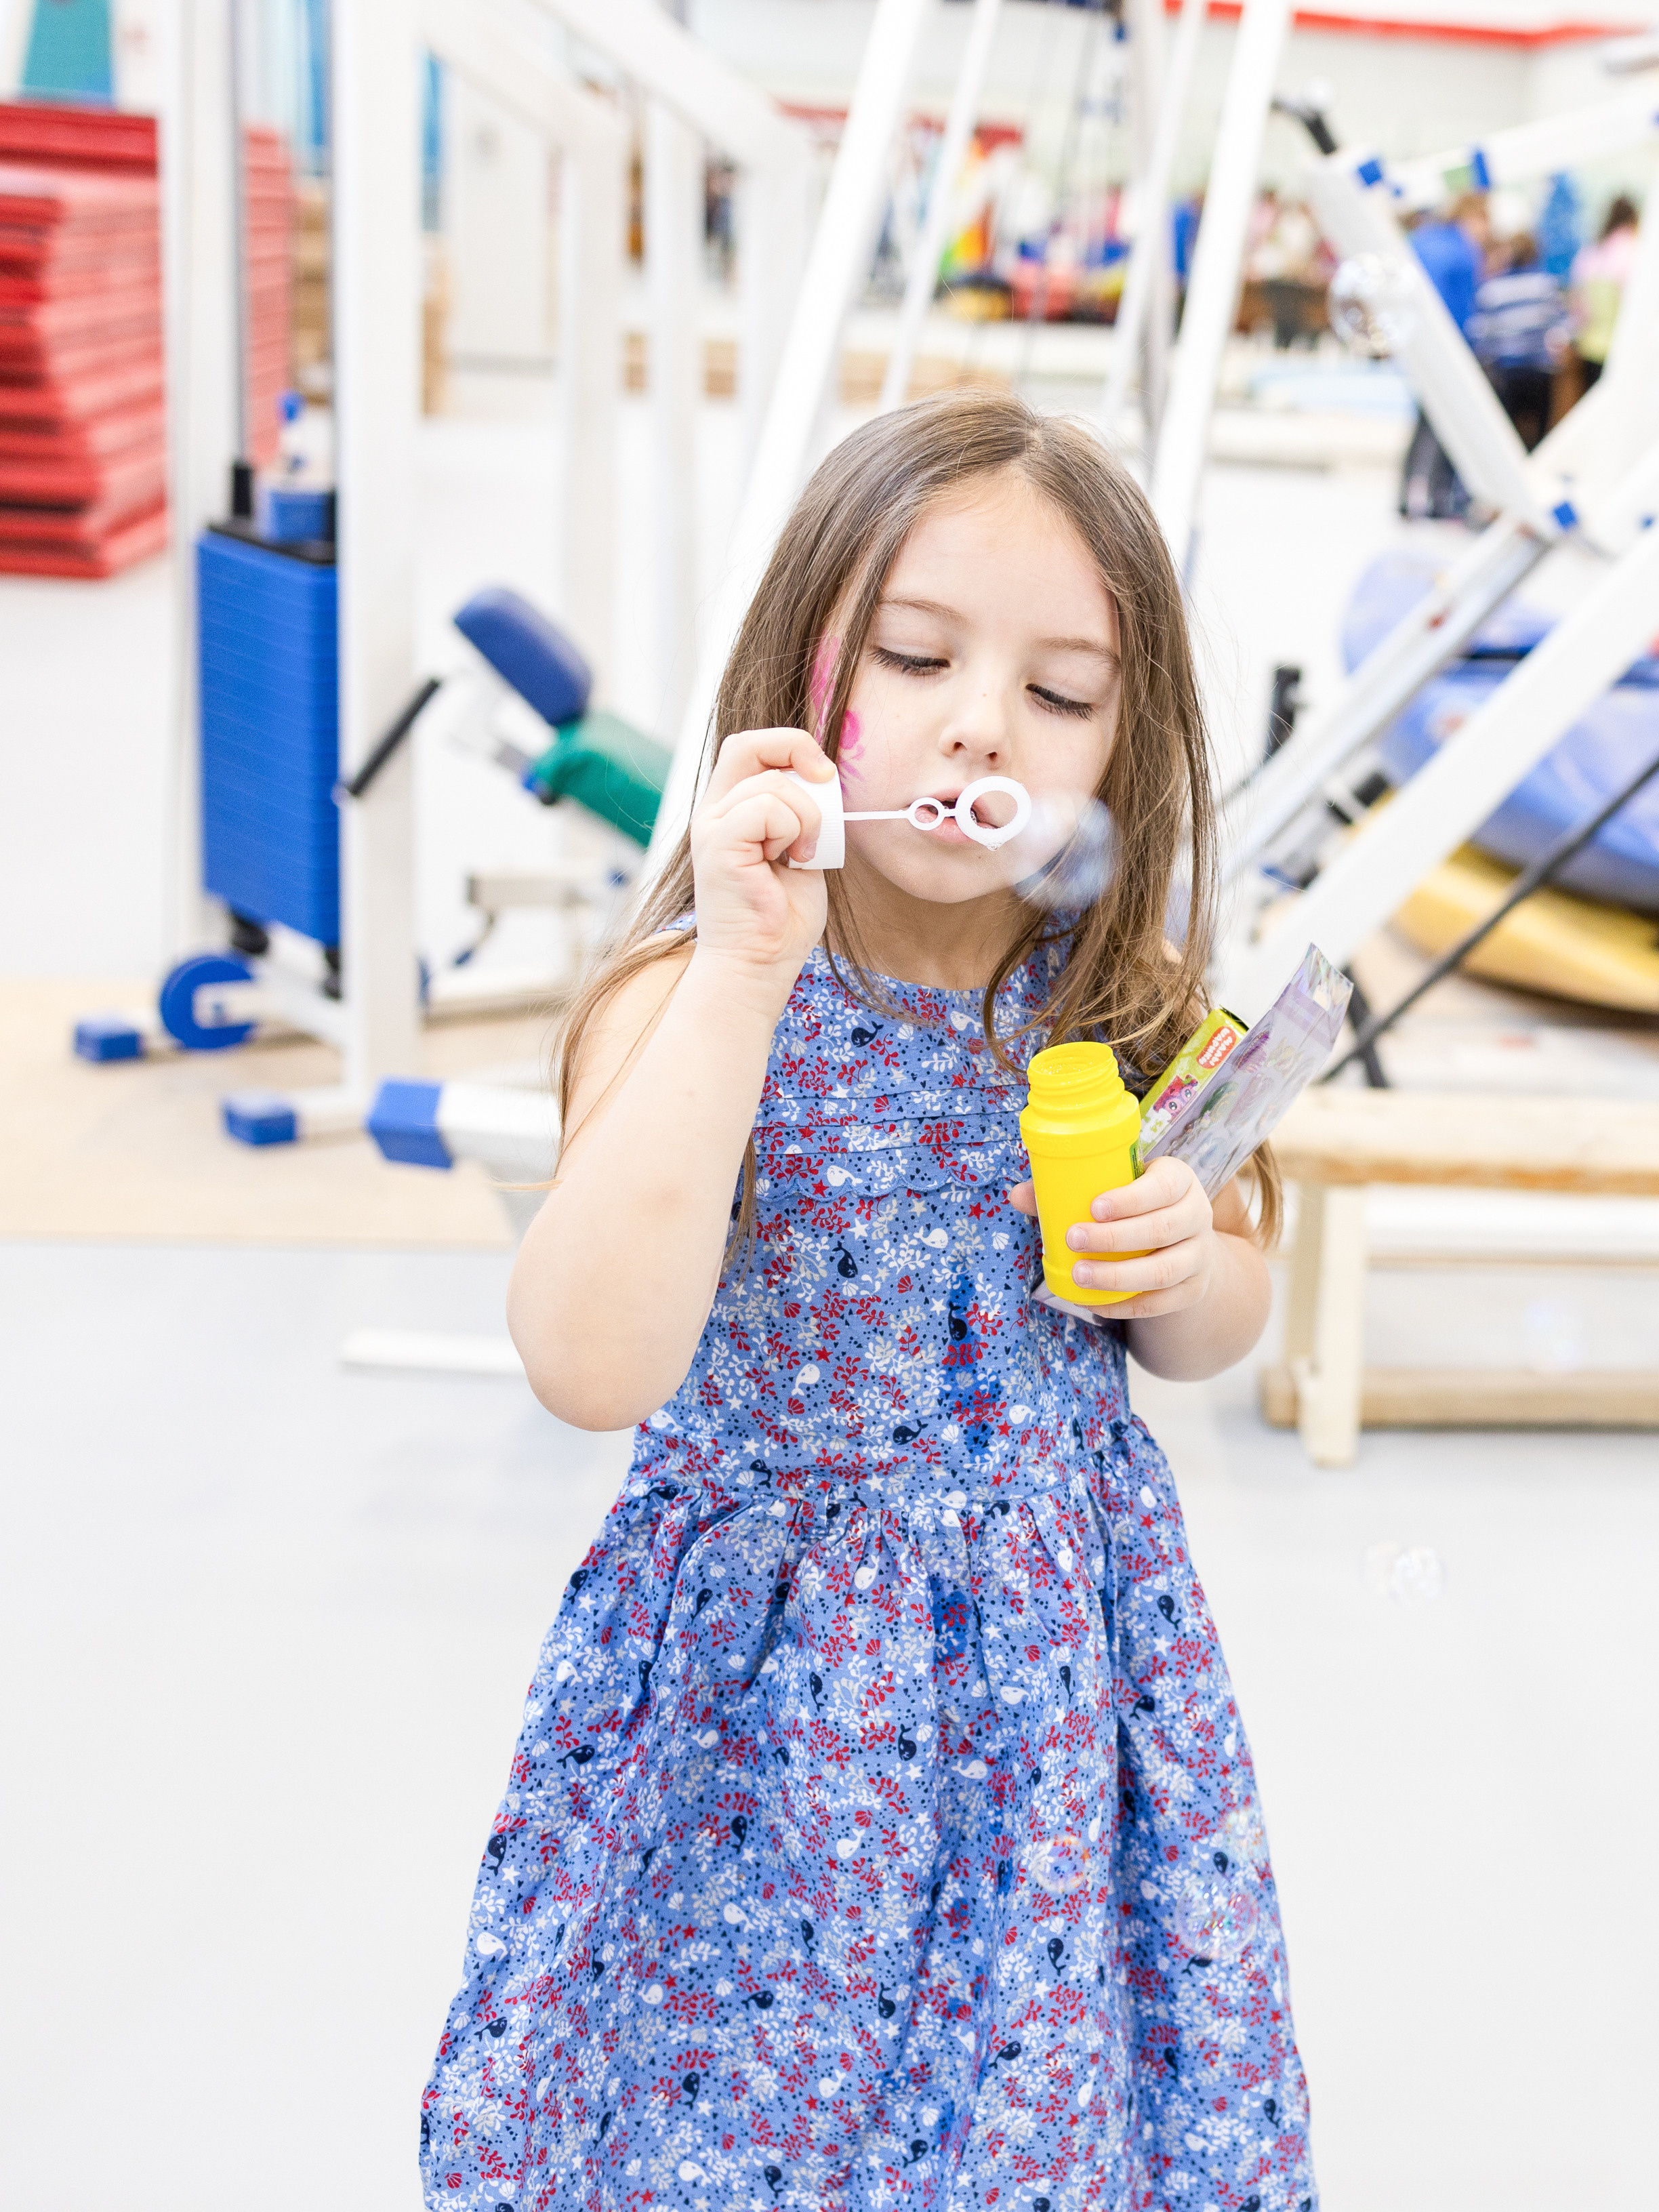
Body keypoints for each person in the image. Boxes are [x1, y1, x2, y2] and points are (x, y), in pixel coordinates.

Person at [418, 391, 1317, 2212]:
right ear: (805, 670)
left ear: (1122, 756)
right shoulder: (684, 1002)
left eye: (1062, 695)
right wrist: (748, 974)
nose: (982, 722)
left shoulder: (1123, 1011)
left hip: (1056, 1685)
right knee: (724, 2125)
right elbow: (588, 1363)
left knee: (1017, 2118)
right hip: (758, 1699)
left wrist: (1193, 1263)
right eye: (917, 654)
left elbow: (1226, 1332)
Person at [1400, 191, 1490, 518]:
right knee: (1445, 426)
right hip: (1450, 348)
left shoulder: (1422, 239)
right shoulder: (1463, 252)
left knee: (1424, 420)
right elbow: (1466, 310)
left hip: (1418, 342)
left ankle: (1405, 493)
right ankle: (1439, 498)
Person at [1467, 231, 1570, 451]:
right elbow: (1562, 325)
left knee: (1506, 431)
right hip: (1539, 369)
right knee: (1540, 432)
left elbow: (1481, 333)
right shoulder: (1545, 286)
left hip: (1506, 370)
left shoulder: (1492, 290)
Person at [1570, 192, 1641, 390]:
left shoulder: (1591, 253)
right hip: (1623, 350)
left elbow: (1579, 308)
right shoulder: (1633, 251)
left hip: (1591, 348)